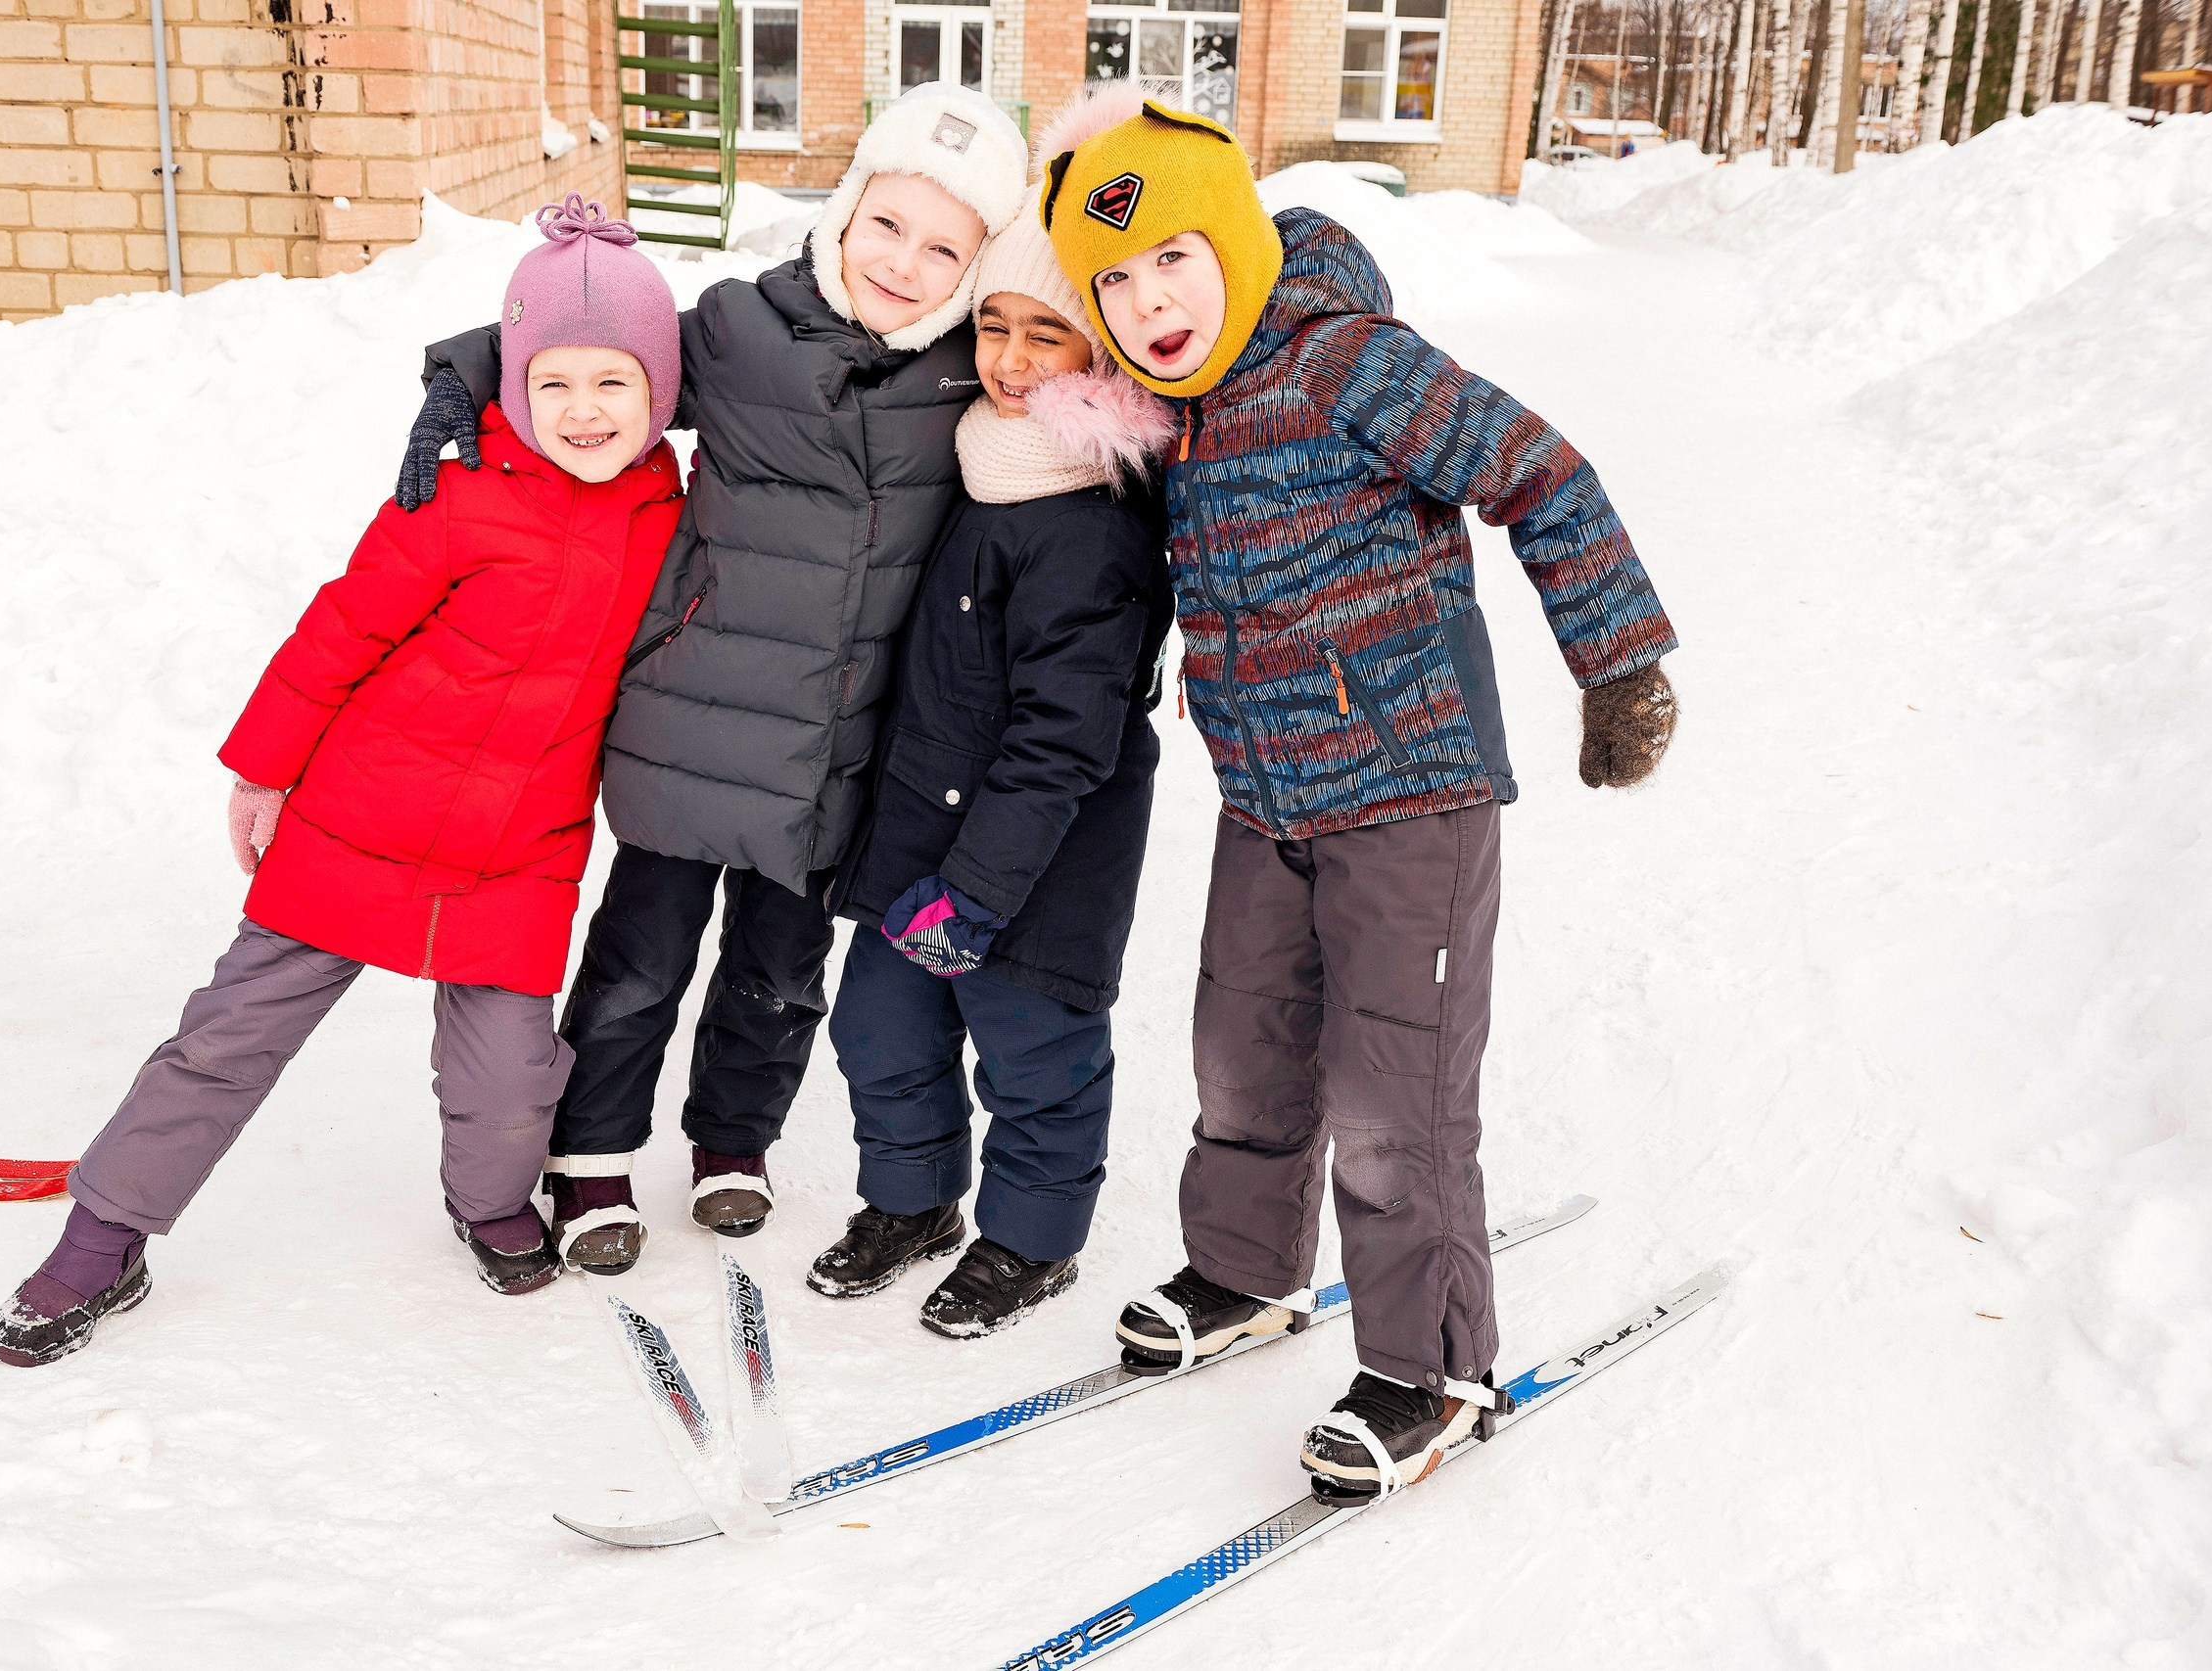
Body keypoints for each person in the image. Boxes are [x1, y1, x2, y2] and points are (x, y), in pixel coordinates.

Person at [1041, 92, 1682, 1495]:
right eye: (1116, 280)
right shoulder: (1182, 417)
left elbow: (1544, 476)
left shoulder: (1350, 365)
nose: (1151, 300)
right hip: (1266, 796)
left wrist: (1619, 662)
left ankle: (1431, 1368)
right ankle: (1244, 1273)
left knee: (1395, 1096)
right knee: (1244, 1049)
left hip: (1411, 793)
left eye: (1173, 259)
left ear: (1232, 244)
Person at [0, 199, 686, 1367]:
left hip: (518, 849)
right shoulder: (453, 493)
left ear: (659, 390)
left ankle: (489, 1202)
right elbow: (342, 629)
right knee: (226, 1037)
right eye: (552, 383)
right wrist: (265, 767)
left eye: (615, 384)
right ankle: (101, 1238)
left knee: (512, 1074)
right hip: (360, 819)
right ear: (513, 385)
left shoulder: (673, 513)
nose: (584, 412)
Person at [392, 85, 1029, 1276]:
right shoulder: (738, 331)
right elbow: (589, 350)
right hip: (690, 727)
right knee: (640, 960)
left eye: (945, 247)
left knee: (782, 973)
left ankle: (734, 1141)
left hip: (835, 746)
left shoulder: (964, 376)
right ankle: (589, 1154)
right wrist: (462, 374)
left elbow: (1072, 396)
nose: (904, 262)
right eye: (887, 224)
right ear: (842, 212)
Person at [809, 164, 1175, 1338]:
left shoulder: (1095, 527)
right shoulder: (978, 460)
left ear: (1101, 357)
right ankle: (910, 1206)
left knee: (1036, 1057)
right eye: (994, 327)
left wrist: (978, 892)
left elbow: (1064, 744)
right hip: (919, 835)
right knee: (879, 1029)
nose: (1012, 359)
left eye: (1046, 335)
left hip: (1036, 868)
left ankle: (1030, 1241)